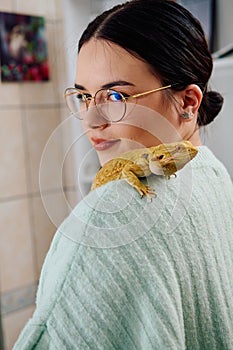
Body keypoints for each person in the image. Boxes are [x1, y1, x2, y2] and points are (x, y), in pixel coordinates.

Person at [14, 0, 233, 349]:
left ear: (189, 103)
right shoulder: (212, 171)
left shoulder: (107, 223)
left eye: (116, 95)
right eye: (84, 96)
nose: (91, 120)